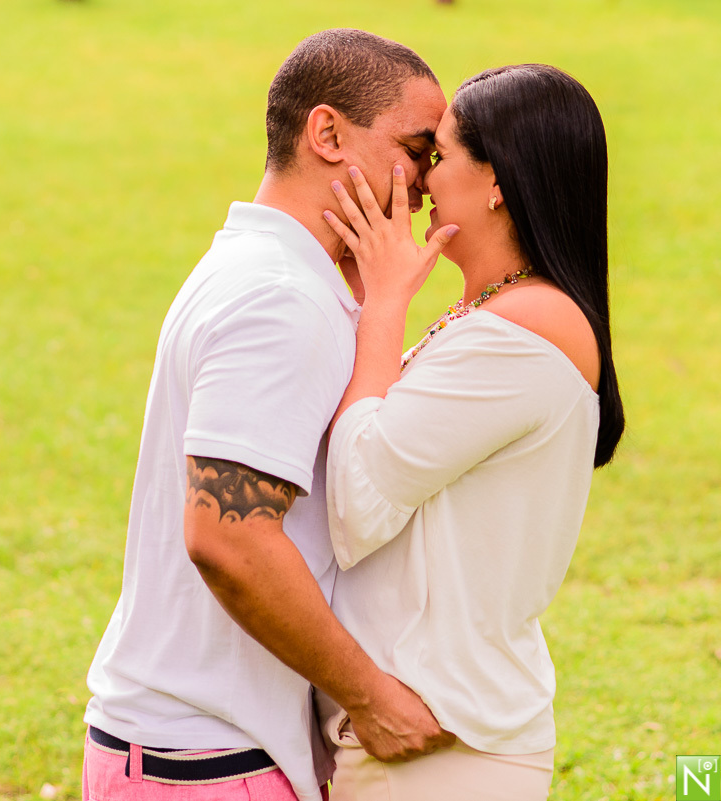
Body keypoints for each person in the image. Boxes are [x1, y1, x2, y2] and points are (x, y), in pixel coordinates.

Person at [82, 29, 458, 801]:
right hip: (211, 763)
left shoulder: (271, 271)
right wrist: (372, 697)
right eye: (418, 149)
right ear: (326, 132)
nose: (428, 181)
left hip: (195, 753)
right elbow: (227, 535)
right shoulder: (280, 300)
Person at [319, 64, 625, 800]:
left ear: (497, 180)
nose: (420, 179)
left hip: (442, 746)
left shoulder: (520, 334)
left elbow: (357, 503)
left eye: (441, 153)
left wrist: (386, 302)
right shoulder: (494, 316)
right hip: (426, 737)